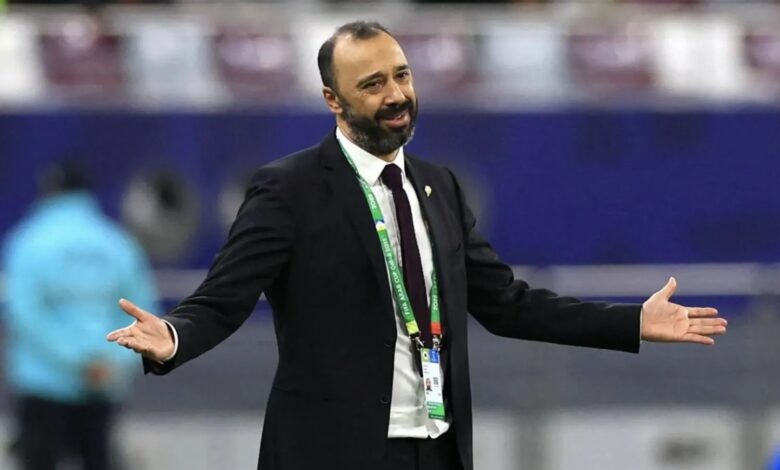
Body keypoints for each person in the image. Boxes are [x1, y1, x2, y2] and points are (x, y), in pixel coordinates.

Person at [107, 21, 727, 470]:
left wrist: (630, 323)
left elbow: (507, 303)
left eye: (401, 75)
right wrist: (176, 336)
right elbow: (225, 298)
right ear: (334, 101)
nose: (396, 95)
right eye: (373, 84)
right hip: (332, 452)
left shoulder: (439, 186)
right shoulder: (288, 189)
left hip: (437, 448)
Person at [3, 161, 159, 470]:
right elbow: (144, 313)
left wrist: (75, 360)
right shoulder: (118, 243)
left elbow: (23, 313)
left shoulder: (29, 240)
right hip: (103, 383)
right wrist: (106, 362)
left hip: (44, 384)